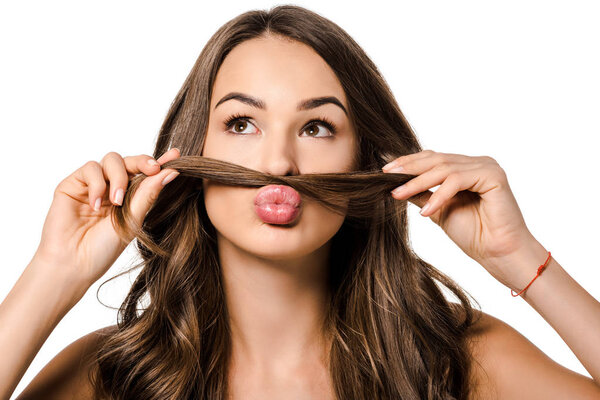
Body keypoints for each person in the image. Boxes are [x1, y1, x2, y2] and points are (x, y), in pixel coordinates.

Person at [2, 4, 600, 399]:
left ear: (365, 159)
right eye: (241, 124)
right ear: (189, 153)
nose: (278, 163)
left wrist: (517, 256)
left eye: (317, 128)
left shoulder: (454, 362)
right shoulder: (115, 375)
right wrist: (55, 273)